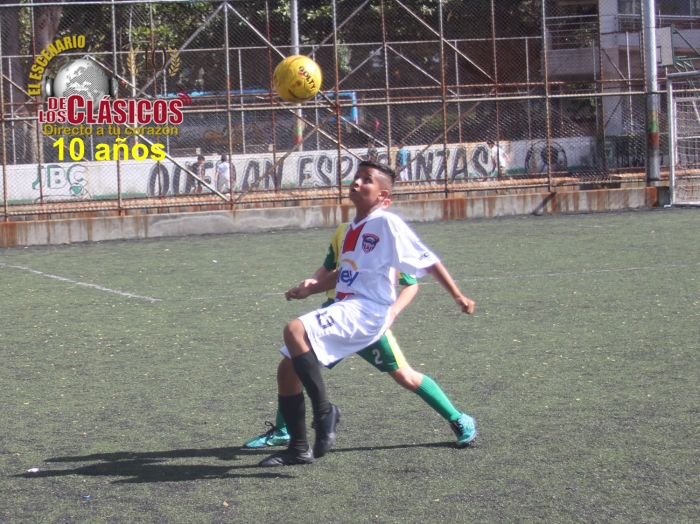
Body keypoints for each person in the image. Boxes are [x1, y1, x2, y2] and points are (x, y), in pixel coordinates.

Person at [258, 160, 477, 467]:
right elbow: (345, 273)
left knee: (298, 332)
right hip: (345, 310)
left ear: (383, 197)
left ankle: (325, 414)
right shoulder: (349, 230)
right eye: (356, 177)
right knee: (288, 368)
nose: (357, 183)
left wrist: (458, 295)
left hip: (368, 313)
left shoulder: (387, 223)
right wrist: (311, 288)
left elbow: (426, 262)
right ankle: (296, 445)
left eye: (367, 180)